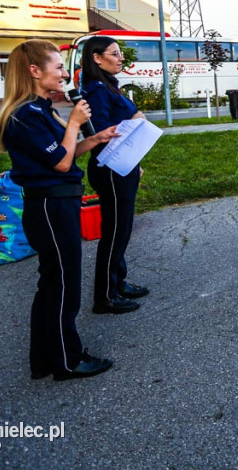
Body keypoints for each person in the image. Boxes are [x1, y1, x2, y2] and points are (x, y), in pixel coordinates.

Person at [0, 39, 117, 381]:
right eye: (58, 66)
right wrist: (75, 123)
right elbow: (61, 164)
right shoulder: (24, 115)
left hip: (58, 201)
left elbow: (63, 154)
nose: (65, 73)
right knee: (63, 285)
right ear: (34, 71)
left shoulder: (40, 108)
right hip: (50, 205)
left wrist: (93, 139)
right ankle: (68, 360)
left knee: (52, 284)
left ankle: (45, 359)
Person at [81, 35, 150, 315]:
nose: (121, 58)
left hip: (123, 164)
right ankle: (105, 297)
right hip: (110, 167)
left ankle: (117, 281)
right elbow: (102, 132)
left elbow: (130, 119)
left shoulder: (110, 86)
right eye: (114, 53)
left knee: (122, 230)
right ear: (97, 58)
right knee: (115, 233)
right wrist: (134, 122)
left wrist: (134, 161)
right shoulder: (97, 90)